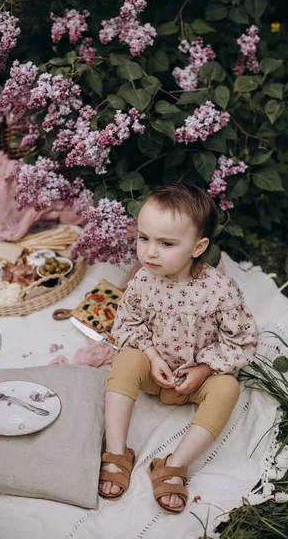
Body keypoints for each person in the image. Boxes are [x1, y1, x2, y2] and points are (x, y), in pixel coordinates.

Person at [98, 182, 258, 514]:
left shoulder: (219, 290)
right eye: (144, 238)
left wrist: (204, 369)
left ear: (198, 247)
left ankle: (174, 464)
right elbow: (128, 324)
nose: (150, 252)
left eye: (166, 243)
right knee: (127, 360)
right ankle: (116, 452)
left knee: (228, 388)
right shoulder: (143, 280)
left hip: (197, 378)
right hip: (155, 372)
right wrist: (152, 357)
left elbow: (241, 339)